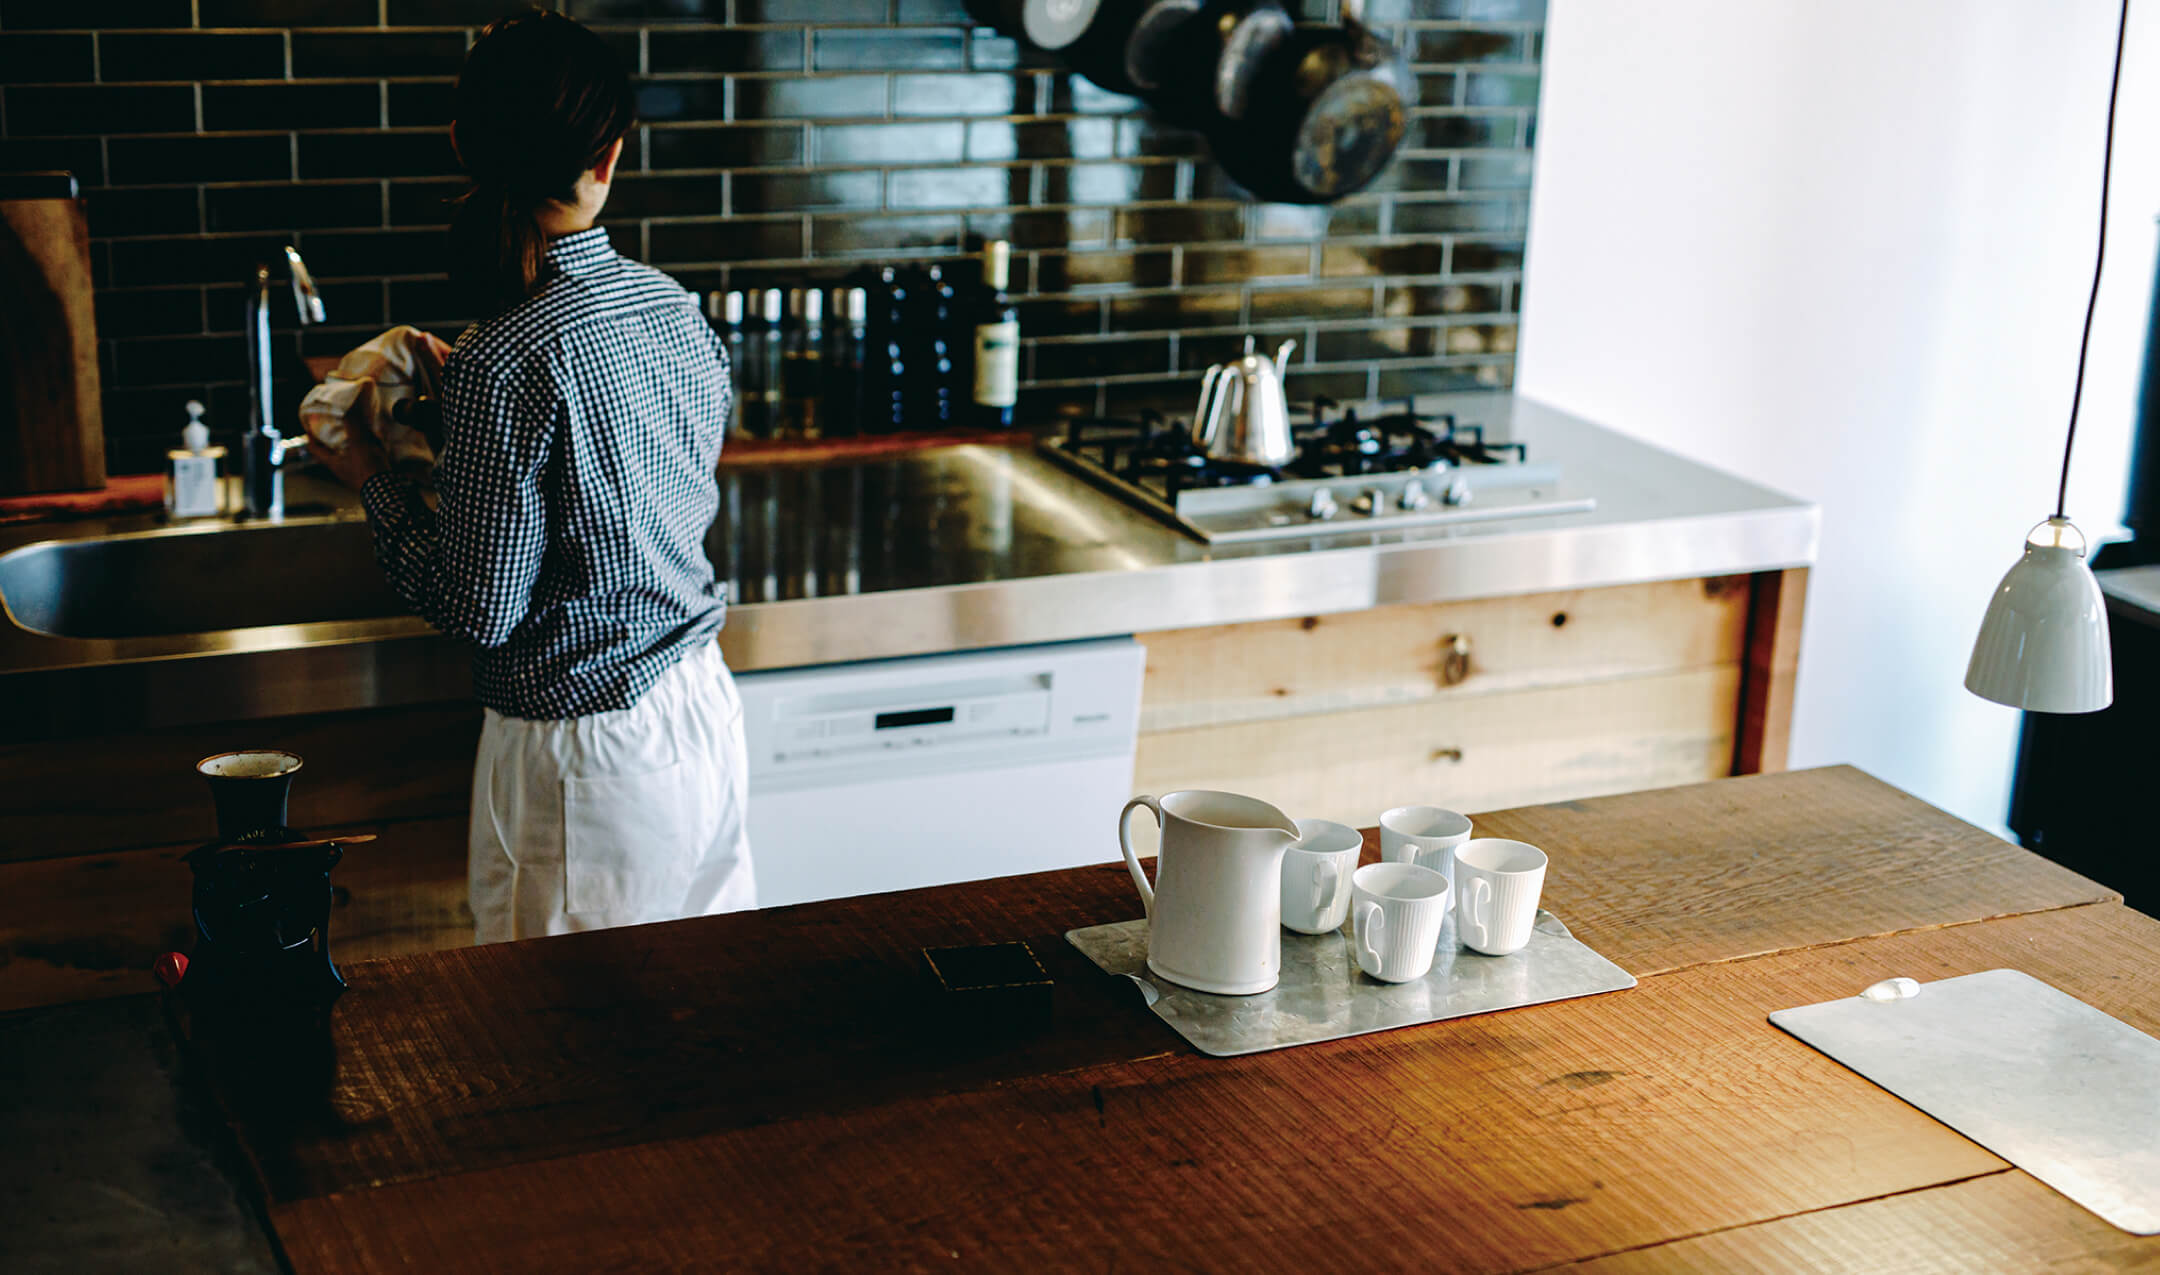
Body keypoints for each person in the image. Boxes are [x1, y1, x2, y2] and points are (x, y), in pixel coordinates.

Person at [310, 9, 752, 941]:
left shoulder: (499, 360)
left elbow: (480, 607)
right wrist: (459, 412)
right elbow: (636, 479)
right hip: (702, 709)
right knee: (709, 1015)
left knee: (561, 1052)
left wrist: (372, 477)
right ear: (609, 159)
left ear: (463, 144)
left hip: (587, 756)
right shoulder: (670, 306)